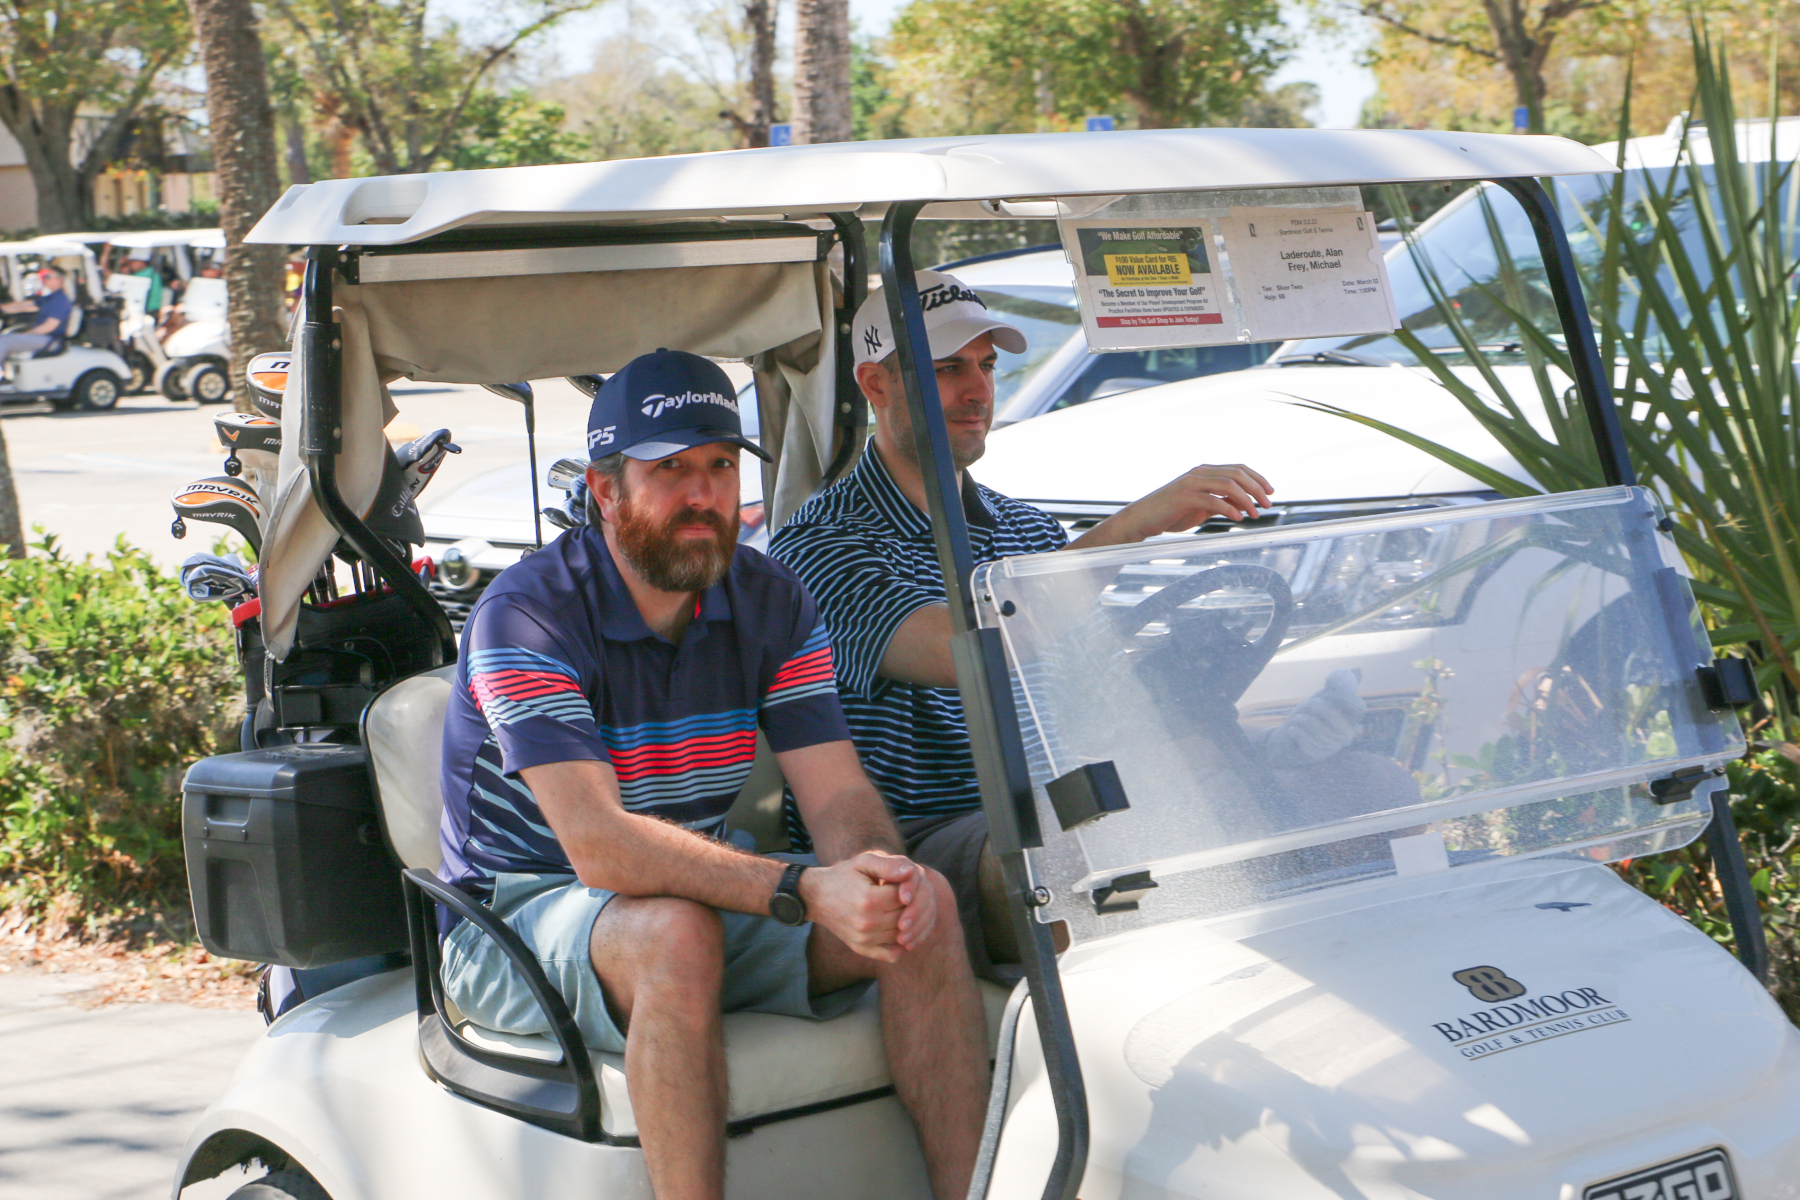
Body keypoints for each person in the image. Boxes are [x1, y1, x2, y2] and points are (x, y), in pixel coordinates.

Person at [437, 348, 986, 1200]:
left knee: (924, 903)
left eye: (722, 466)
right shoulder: (526, 614)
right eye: (671, 470)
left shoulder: (770, 596)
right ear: (605, 490)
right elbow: (600, 849)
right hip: (513, 922)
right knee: (675, 935)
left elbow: (837, 791)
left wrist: (873, 873)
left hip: (690, 894)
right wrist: (805, 889)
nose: (703, 496)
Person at [771, 270, 1378, 977]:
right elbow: (960, 651)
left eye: (986, 366)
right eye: (946, 369)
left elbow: (1103, 706)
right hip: (923, 843)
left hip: (1053, 812)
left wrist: (1261, 755)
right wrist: (1131, 528)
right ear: (875, 385)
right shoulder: (821, 543)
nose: (978, 390)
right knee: (1080, 848)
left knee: (1363, 788)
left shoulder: (1026, 529)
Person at [0, 265, 74, 359]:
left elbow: (49, 326)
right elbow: (25, 305)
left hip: (48, 339)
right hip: (40, 337)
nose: (44, 279)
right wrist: (3, 308)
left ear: (59, 279)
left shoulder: (60, 300)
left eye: (48, 277)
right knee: (3, 337)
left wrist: (27, 334)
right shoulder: (50, 298)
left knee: (3, 342)